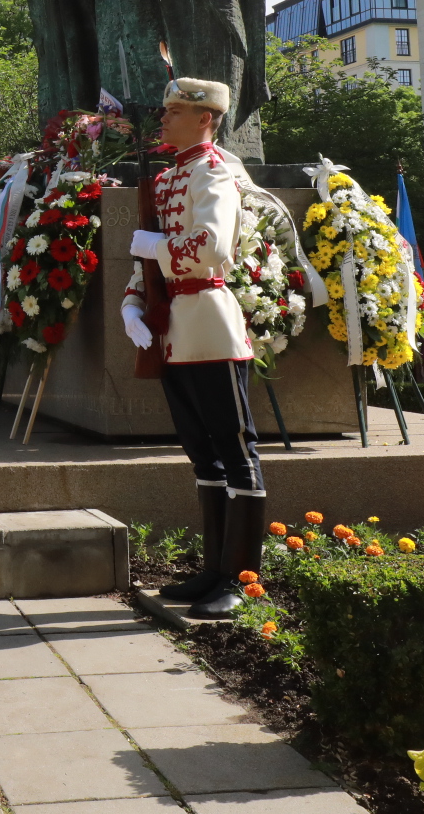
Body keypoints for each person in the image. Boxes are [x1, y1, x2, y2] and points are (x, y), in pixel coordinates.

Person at [119, 77, 265, 620]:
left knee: (236, 451)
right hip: (174, 331)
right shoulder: (170, 176)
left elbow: (211, 249)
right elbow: (148, 261)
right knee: (202, 455)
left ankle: (241, 578)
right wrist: (133, 304)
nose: (163, 119)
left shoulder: (213, 173)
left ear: (206, 118)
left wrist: (155, 246)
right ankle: (212, 570)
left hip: (208, 326)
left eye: (174, 111)